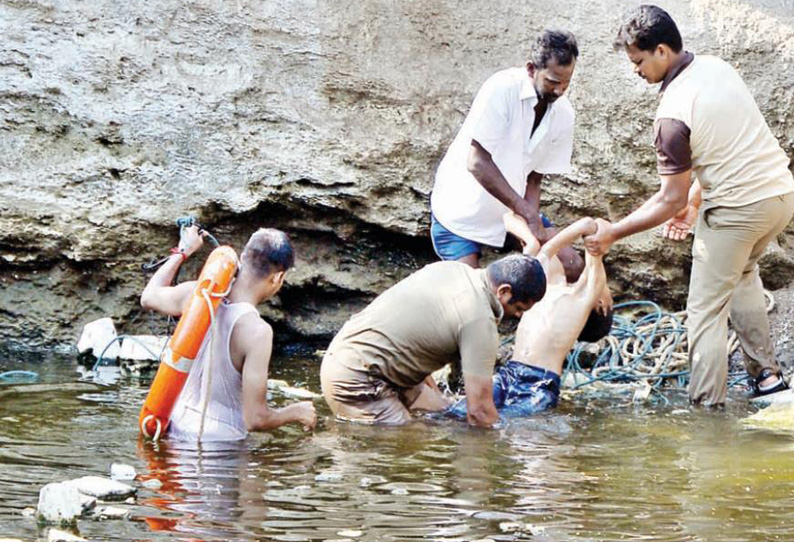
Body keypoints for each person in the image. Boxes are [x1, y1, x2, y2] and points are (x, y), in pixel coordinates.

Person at [583, 5, 794, 406]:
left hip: (739, 210)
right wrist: (693, 201)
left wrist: (613, 232)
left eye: (638, 61)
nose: (635, 71)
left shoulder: (671, 116)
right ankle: (768, 379)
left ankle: (706, 408)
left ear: (662, 51)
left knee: (705, 311)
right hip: (780, 197)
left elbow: (668, 198)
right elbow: (728, 149)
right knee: (744, 273)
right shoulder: (717, 68)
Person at [320, 255, 547, 427]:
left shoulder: (451, 269)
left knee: (444, 413)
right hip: (357, 380)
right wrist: (510, 440)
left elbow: (416, 341)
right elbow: (479, 411)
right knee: (412, 445)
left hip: (348, 355)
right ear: (504, 291)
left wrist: (438, 398)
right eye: (518, 308)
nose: (518, 316)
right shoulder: (479, 320)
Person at [430, 29, 584, 281]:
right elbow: (477, 162)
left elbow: (534, 179)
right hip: (461, 213)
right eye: (552, 82)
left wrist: (531, 230)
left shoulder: (563, 114)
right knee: (471, 297)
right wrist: (526, 213)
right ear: (532, 69)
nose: (559, 91)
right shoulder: (501, 88)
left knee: (572, 267)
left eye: (566, 84)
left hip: (513, 214)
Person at [140, 226, 317, 440]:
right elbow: (256, 419)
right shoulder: (258, 332)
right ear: (277, 277)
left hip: (172, 429)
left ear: (242, 257)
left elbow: (148, 297)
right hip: (220, 447)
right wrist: (295, 412)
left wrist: (183, 251)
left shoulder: (195, 295)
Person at [447, 213, 612, 418]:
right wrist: (538, 245)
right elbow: (510, 218)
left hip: (538, 384)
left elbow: (591, 235)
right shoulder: (546, 286)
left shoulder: (580, 301)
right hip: (510, 373)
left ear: (601, 306)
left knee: (506, 424)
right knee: (456, 414)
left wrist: (546, 250)